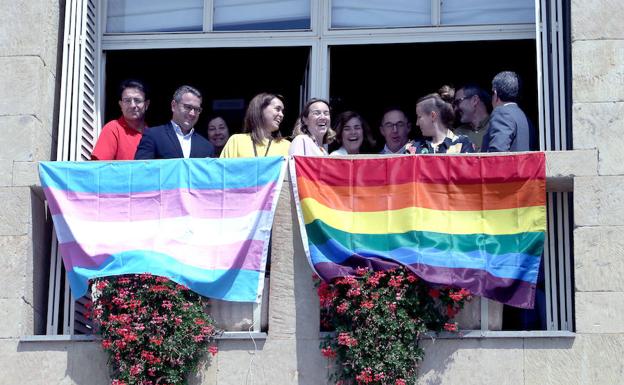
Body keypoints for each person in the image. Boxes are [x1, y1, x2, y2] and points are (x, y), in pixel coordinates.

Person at [135, 85, 214, 159]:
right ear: (173, 106)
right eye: (188, 107)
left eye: (197, 109)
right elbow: (141, 170)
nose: (192, 113)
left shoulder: (206, 146)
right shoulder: (153, 135)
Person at [91, 79, 150, 160]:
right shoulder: (113, 129)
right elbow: (99, 168)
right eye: (127, 101)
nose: (132, 105)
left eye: (137, 100)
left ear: (146, 104)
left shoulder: (152, 134)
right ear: (121, 105)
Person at [220, 93, 290, 158]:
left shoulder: (286, 145)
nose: (281, 115)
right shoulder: (236, 141)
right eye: (277, 109)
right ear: (260, 110)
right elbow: (222, 170)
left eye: (282, 111)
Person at [482, 71, 534, 152]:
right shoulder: (523, 116)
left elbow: (497, 154)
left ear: (495, 93)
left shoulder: (501, 113)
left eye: (492, 93)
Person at [406, 93, 476, 154]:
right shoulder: (414, 147)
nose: (417, 123)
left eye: (419, 117)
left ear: (433, 116)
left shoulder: (462, 144)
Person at [453, 84, 491, 152]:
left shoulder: (496, 128)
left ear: (475, 100)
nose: (455, 109)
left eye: (458, 102)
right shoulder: (458, 133)